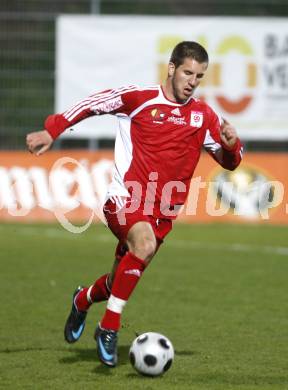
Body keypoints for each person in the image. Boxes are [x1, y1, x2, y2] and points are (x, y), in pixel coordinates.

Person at [26, 41, 243, 367]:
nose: (192, 81)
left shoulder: (203, 116)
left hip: (162, 213)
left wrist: (231, 144)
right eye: (187, 72)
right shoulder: (140, 98)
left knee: (118, 281)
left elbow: (231, 161)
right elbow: (93, 103)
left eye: (199, 76)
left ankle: (82, 299)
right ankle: (108, 328)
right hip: (124, 199)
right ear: (171, 68)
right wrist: (52, 129)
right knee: (143, 244)